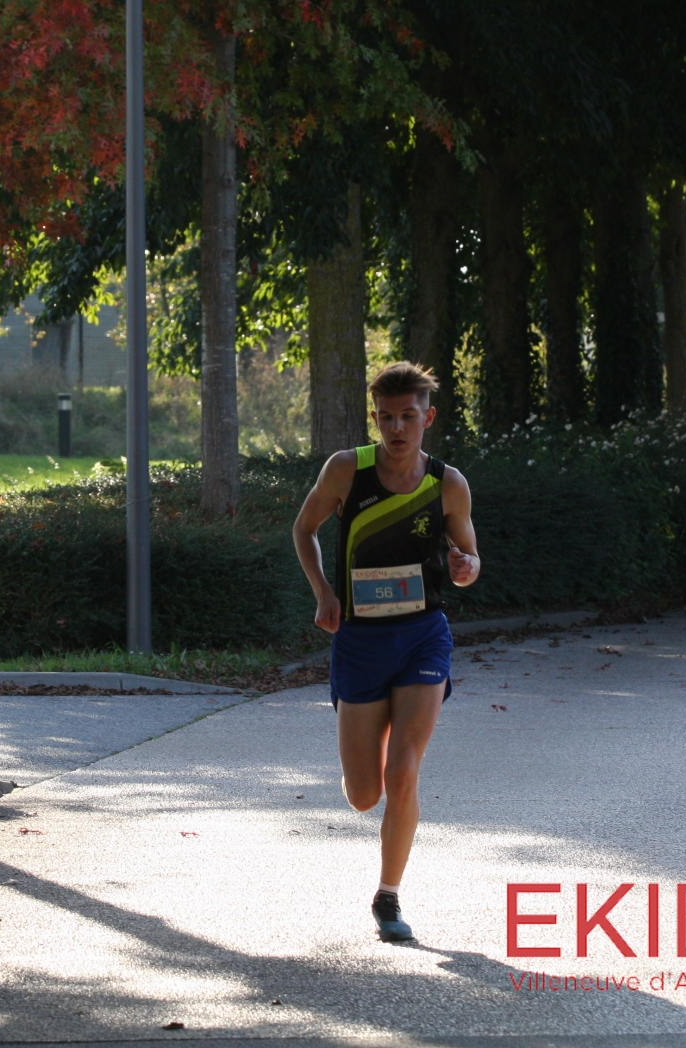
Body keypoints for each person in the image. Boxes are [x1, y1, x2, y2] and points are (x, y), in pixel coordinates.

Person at [292, 361, 481, 943]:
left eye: (408, 417)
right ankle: (360, 765)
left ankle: (389, 896)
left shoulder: (447, 484)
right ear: (375, 419)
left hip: (423, 635)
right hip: (360, 642)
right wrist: (324, 593)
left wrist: (465, 566)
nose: (397, 428)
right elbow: (304, 529)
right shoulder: (346, 470)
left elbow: (470, 560)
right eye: (387, 418)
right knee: (363, 795)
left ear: (428, 417)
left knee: (403, 773)